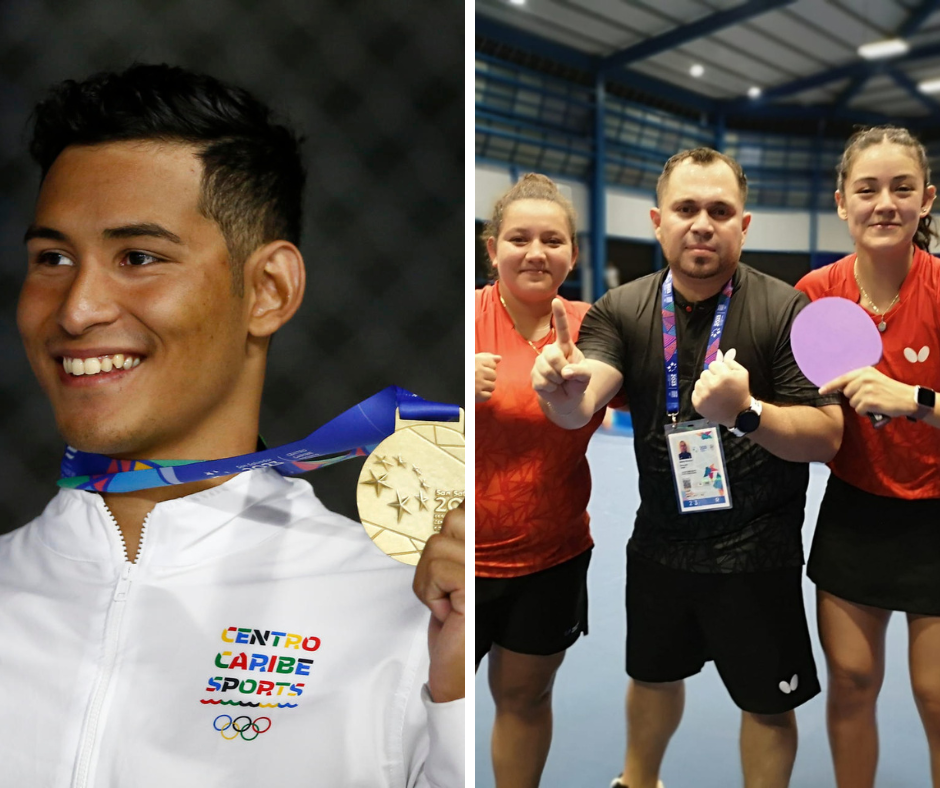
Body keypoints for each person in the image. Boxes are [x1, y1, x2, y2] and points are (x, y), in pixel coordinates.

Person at [2, 64, 464, 786]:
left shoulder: (414, 615)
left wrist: (460, 693)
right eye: (53, 258)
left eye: (138, 257)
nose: (76, 309)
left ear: (269, 290)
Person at [532, 148, 844, 788]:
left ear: (744, 225)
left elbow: (826, 436)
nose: (702, 223)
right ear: (657, 219)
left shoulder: (787, 310)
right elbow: (588, 392)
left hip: (758, 551)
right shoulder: (622, 308)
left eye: (720, 210)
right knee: (651, 678)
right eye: (686, 208)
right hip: (661, 544)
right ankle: (636, 781)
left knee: (767, 703)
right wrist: (566, 396)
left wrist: (748, 411)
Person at [795, 126, 940, 788]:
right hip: (854, 508)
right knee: (851, 682)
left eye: (902, 188)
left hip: (936, 514)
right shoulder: (813, 295)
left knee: (937, 695)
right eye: (868, 189)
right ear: (841, 203)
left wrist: (917, 398)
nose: (885, 203)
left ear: (927, 201)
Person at [476, 173, 609, 788]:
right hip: (451, 556)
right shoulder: (458, 326)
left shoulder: (598, 329)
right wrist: (437, 386)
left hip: (551, 554)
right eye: (519, 238)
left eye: (552, 240)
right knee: (427, 696)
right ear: (491, 246)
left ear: (573, 254)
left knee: (524, 699)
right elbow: (376, 423)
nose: (536, 252)